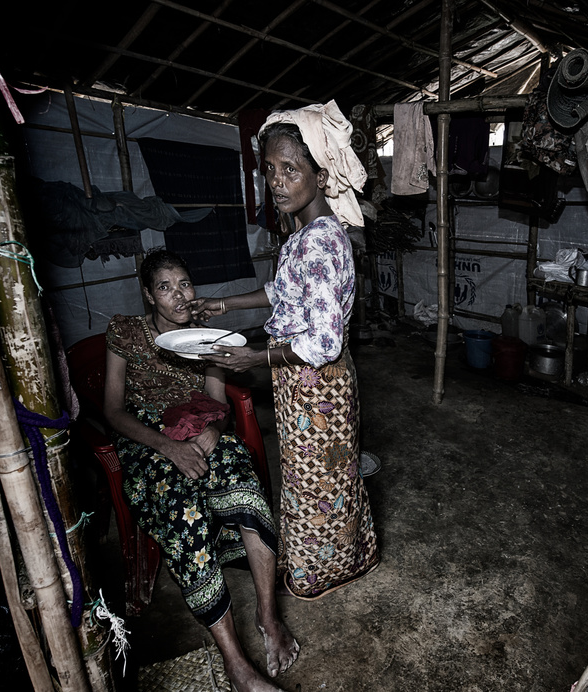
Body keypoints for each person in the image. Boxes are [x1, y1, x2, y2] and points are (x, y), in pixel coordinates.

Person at [193, 101, 380, 600]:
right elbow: (283, 292)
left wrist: (255, 358)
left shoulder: (321, 241)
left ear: (320, 175)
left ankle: (322, 570)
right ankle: (343, 556)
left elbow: (322, 342)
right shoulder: (303, 234)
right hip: (303, 381)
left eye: (290, 170)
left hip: (317, 385)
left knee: (320, 486)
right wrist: (223, 303)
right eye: (270, 170)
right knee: (317, 479)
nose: (277, 181)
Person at [103, 248, 297, 692]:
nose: (178, 295)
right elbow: (113, 411)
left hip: (197, 426)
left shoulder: (208, 336)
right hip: (148, 439)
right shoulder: (126, 332)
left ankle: (268, 616)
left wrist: (214, 431)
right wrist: (167, 448)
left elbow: (218, 402)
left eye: (184, 284)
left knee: (244, 485)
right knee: (182, 512)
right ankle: (236, 664)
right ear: (149, 297)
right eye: (165, 288)